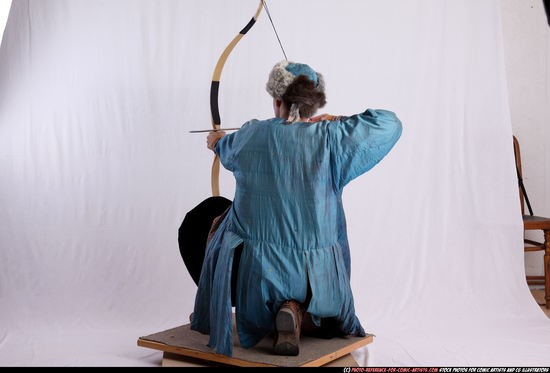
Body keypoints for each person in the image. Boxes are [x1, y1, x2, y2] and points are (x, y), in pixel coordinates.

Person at [186, 60, 402, 358]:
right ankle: (296, 311)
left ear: (277, 100)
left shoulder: (250, 134)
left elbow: (223, 146)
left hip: (258, 283)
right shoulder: (331, 139)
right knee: (222, 213)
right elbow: (390, 123)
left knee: (202, 218)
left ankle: (275, 310)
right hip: (321, 286)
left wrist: (216, 140)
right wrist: (337, 120)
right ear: (312, 104)